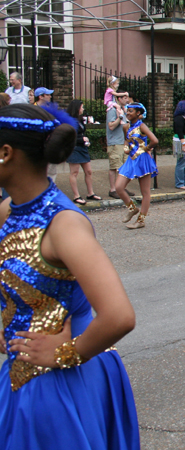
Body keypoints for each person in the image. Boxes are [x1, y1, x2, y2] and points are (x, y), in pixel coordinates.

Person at [0, 103, 139, 448]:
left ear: (5, 153)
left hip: (63, 382)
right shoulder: (5, 211)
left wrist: (65, 354)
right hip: (19, 376)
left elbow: (119, 316)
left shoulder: (64, 225)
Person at [116, 103, 158, 229]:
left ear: (138, 114)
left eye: (131, 111)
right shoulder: (126, 127)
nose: (128, 113)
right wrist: (125, 148)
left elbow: (155, 140)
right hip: (131, 160)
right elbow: (127, 140)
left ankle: (141, 220)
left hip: (143, 160)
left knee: (145, 192)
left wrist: (145, 149)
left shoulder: (142, 126)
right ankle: (132, 208)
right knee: (118, 187)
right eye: (127, 111)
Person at [65, 99, 101, 204]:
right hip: (74, 148)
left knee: (88, 171)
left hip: (82, 148)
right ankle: (76, 196)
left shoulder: (79, 119)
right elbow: (69, 137)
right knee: (74, 172)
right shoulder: (70, 121)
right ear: (77, 108)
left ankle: (90, 193)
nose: (83, 109)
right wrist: (82, 140)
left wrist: (84, 139)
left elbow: (80, 133)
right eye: (82, 107)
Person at [107, 90, 130, 198]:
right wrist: (120, 117)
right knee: (114, 166)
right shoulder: (112, 110)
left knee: (124, 167)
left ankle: (121, 188)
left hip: (123, 141)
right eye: (125, 97)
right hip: (115, 142)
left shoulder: (124, 110)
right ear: (119, 99)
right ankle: (113, 190)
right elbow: (111, 126)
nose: (127, 99)